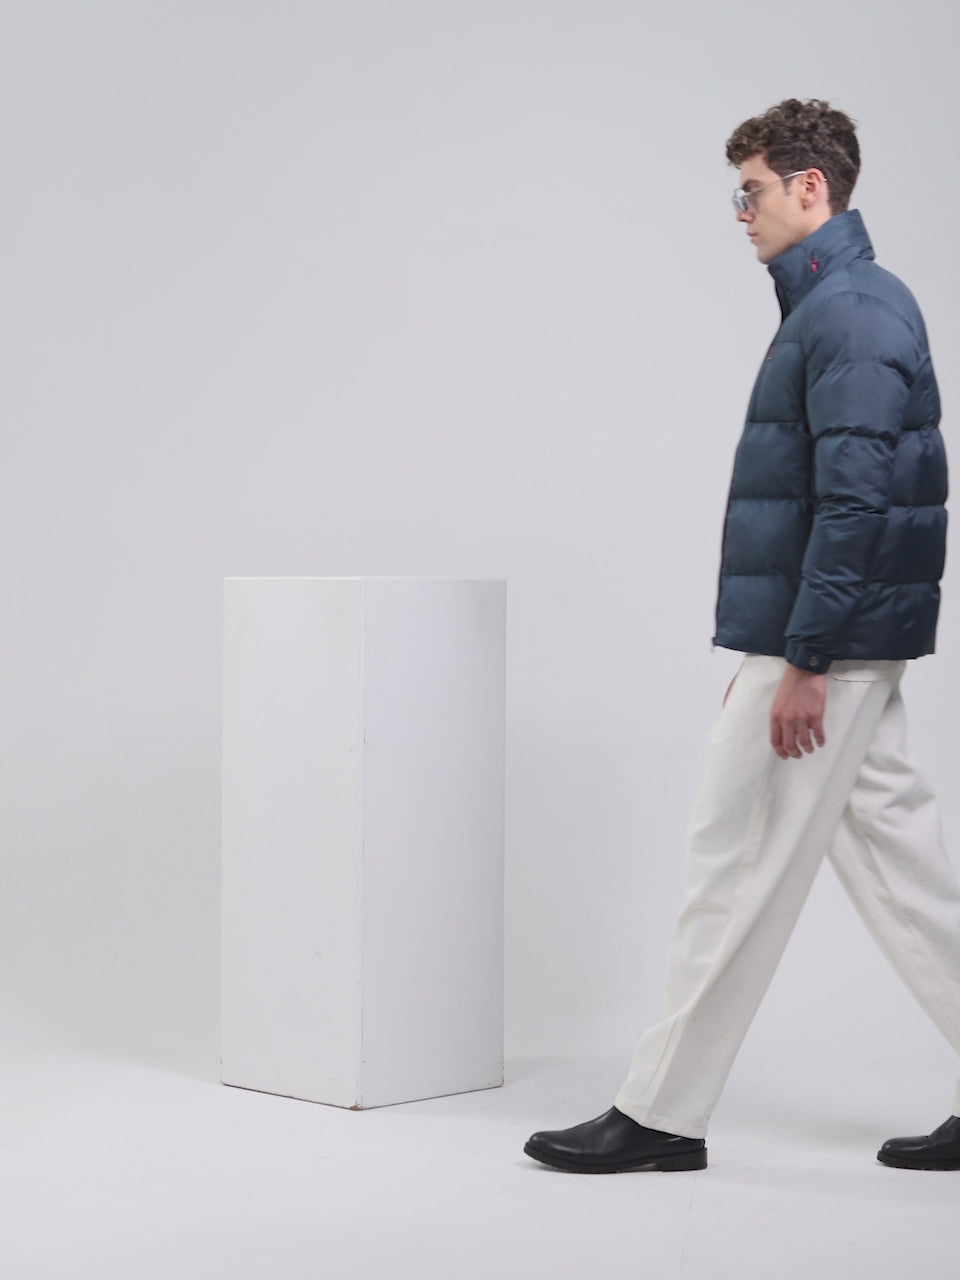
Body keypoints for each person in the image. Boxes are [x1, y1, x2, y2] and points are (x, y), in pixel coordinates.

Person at [523, 98, 960, 1174]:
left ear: (812, 187)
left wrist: (800, 657)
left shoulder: (850, 312)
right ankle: (663, 1109)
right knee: (907, 876)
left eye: (752, 189)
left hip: (830, 646)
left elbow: (853, 503)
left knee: (735, 862)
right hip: (833, 638)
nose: (740, 210)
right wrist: (776, 647)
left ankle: (661, 1113)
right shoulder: (845, 305)